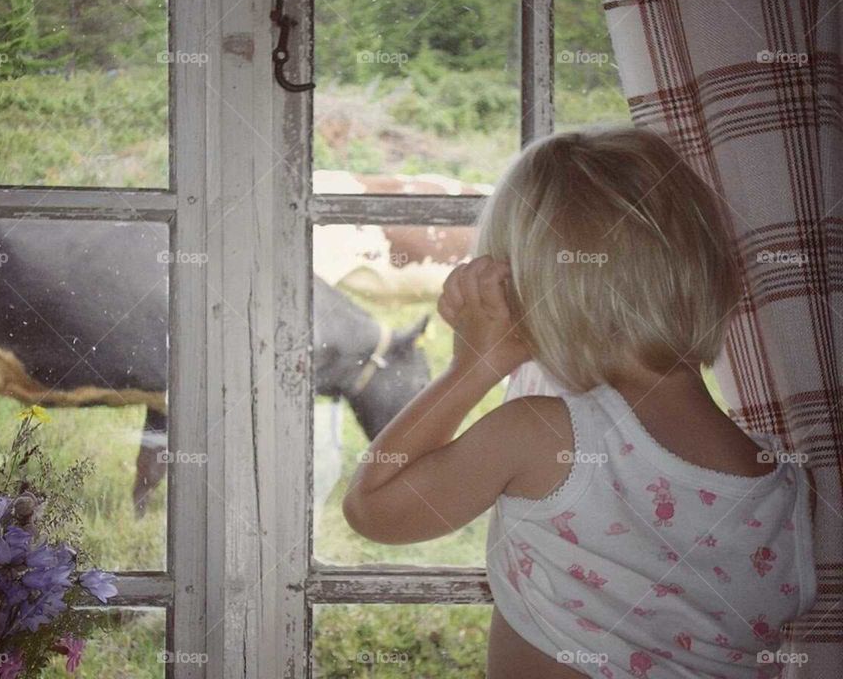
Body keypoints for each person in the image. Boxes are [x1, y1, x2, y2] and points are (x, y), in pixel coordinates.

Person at [342, 127, 817, 678]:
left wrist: (473, 368)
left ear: (533, 298)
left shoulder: (545, 434)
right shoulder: (780, 481)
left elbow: (374, 509)